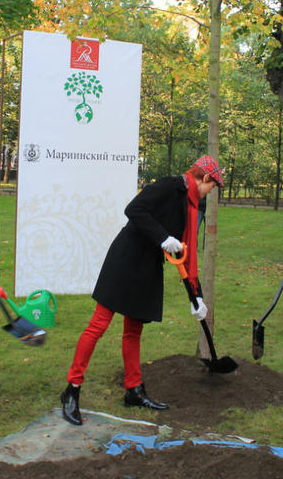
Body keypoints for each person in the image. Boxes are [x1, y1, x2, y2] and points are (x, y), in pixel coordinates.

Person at [60, 155, 224, 425]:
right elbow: (134, 209)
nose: (210, 192)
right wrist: (164, 237)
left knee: (134, 331)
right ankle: (72, 390)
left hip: (148, 265)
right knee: (98, 324)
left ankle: (134, 390)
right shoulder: (170, 186)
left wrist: (196, 298)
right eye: (212, 186)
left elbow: (186, 254)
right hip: (125, 259)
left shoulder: (191, 202)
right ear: (205, 178)